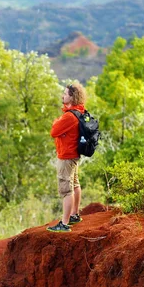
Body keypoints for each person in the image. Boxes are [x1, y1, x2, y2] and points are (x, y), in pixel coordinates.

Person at [47, 83, 85, 233]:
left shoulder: (69, 116)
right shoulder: (79, 112)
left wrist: (56, 122)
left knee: (66, 189)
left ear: (72, 97)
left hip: (66, 156)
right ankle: (74, 214)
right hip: (74, 154)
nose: (63, 96)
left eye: (65, 94)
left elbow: (54, 130)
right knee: (75, 184)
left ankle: (64, 223)